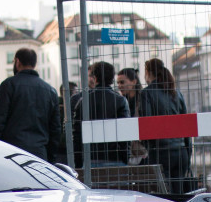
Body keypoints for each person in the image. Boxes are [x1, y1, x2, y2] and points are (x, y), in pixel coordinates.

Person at [0, 48, 62, 161]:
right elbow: (55, 129)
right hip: (39, 154)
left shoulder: (8, 85)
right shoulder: (50, 91)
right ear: (34, 64)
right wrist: (50, 158)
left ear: (17, 62)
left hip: (12, 153)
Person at [138, 57, 194, 192]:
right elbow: (185, 125)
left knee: (164, 194)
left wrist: (149, 147)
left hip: (160, 152)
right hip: (181, 152)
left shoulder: (147, 93)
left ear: (148, 72)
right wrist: (188, 150)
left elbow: (146, 123)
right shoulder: (176, 93)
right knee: (179, 193)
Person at [72, 61, 131, 168]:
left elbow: (77, 135)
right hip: (115, 157)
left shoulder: (83, 101)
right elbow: (125, 134)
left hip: (90, 158)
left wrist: (78, 162)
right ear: (112, 79)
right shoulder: (120, 101)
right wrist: (125, 158)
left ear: (95, 78)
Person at [116, 68, 147, 166]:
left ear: (134, 82)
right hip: (128, 150)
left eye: (122, 82)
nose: (119, 86)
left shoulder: (144, 100)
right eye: (118, 83)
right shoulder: (121, 101)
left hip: (142, 150)